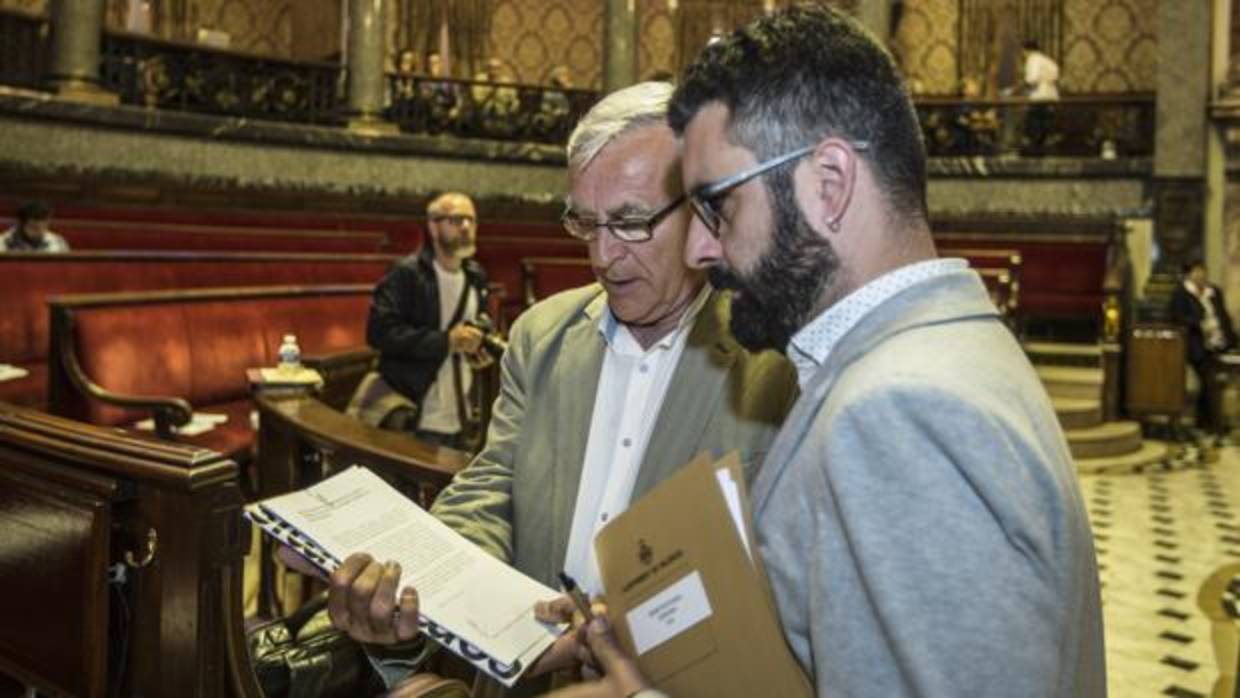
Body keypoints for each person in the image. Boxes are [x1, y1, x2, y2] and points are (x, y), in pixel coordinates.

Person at [560, 6, 1105, 697]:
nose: (701, 248)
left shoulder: (902, 411)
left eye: (718, 207)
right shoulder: (945, 344)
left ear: (829, 183)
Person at [289, 82, 797, 695]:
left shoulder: (777, 359)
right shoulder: (542, 333)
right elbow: (496, 483)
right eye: (586, 223)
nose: (604, 256)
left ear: (704, 209)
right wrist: (418, 582)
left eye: (632, 223)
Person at [360, 192, 491, 449]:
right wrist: (445, 341)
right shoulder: (406, 274)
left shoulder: (476, 276)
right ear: (433, 226)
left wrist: (478, 339)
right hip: (417, 410)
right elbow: (379, 332)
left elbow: (479, 322)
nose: (465, 227)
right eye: (455, 220)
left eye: (471, 220)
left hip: (462, 410)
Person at [1169, 259, 1237, 432]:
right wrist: (1200, 324)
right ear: (1189, 274)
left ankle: (1203, 422)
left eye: (1203, 270)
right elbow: (1177, 318)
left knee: (1215, 380)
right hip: (1195, 345)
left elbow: (1224, 317)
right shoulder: (1181, 294)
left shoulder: (1214, 292)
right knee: (1210, 379)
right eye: (1196, 271)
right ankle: (1215, 425)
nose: (1201, 274)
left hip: (1219, 343)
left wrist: (1232, 339)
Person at [1020, 38, 1059, 153]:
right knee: (1044, 121)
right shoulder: (1046, 60)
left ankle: (1035, 148)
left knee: (1034, 122)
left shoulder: (1033, 59)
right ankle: (1043, 145)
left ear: (1027, 50)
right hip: (1050, 94)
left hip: (1040, 95)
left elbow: (1032, 78)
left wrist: (1023, 86)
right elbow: (1056, 73)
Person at [1, 201, 69, 252]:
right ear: (21, 224)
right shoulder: (3, 242)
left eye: (44, 226)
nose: (41, 231)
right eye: (34, 228)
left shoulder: (58, 242)